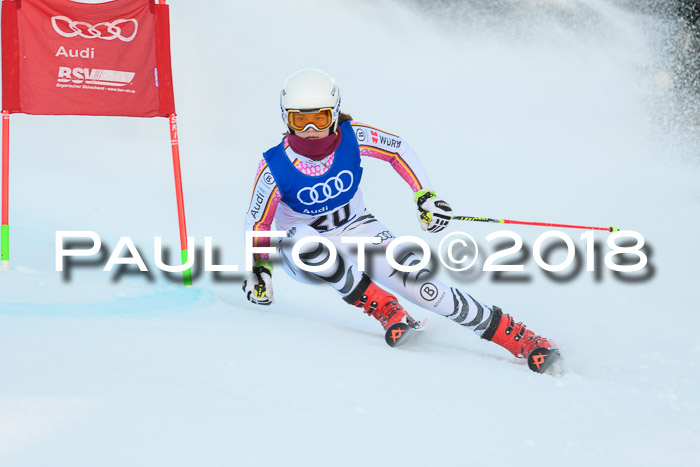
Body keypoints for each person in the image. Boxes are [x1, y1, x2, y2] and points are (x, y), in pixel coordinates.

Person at [243, 69, 561, 374]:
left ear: (335, 113)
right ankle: (384, 307)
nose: (310, 129)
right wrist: (260, 269)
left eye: (320, 118)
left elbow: (398, 150)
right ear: (286, 119)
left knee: (425, 289)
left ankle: (521, 338)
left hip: (357, 229)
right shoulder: (275, 166)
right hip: (304, 251)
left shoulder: (354, 137)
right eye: (300, 120)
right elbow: (257, 222)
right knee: (304, 240)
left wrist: (425, 196)